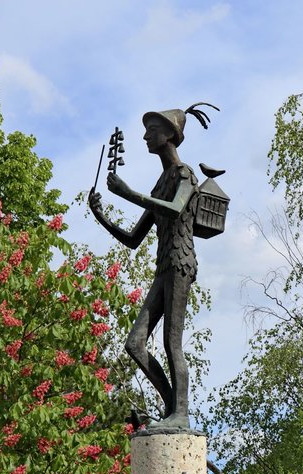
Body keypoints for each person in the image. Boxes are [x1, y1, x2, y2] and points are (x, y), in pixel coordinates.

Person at [88, 103, 218, 429]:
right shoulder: (160, 184)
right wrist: (101, 215)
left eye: (152, 130)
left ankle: (180, 414)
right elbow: (134, 238)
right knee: (135, 343)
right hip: (164, 266)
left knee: (172, 342)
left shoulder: (185, 174)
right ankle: (172, 407)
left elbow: (174, 209)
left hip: (180, 262)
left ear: (170, 135)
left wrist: (128, 193)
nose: (146, 136)